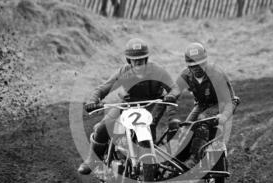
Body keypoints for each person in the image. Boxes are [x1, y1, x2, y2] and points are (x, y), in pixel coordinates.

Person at [78, 38, 180, 175]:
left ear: (146, 59)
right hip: (128, 104)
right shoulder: (123, 72)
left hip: (153, 104)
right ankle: (93, 160)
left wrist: (171, 95)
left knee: (149, 127)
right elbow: (104, 88)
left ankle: (149, 160)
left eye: (141, 59)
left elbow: (175, 88)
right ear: (129, 60)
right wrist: (93, 99)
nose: (138, 63)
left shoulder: (158, 71)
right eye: (134, 60)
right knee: (103, 127)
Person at [176, 42, 240, 168]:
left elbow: (231, 100)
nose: (197, 68)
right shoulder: (186, 75)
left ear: (205, 62)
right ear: (189, 66)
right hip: (201, 105)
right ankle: (179, 160)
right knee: (185, 128)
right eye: (194, 66)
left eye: (201, 64)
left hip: (220, 104)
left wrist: (225, 115)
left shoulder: (217, 73)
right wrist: (169, 97)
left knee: (201, 120)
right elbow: (174, 91)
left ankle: (194, 159)